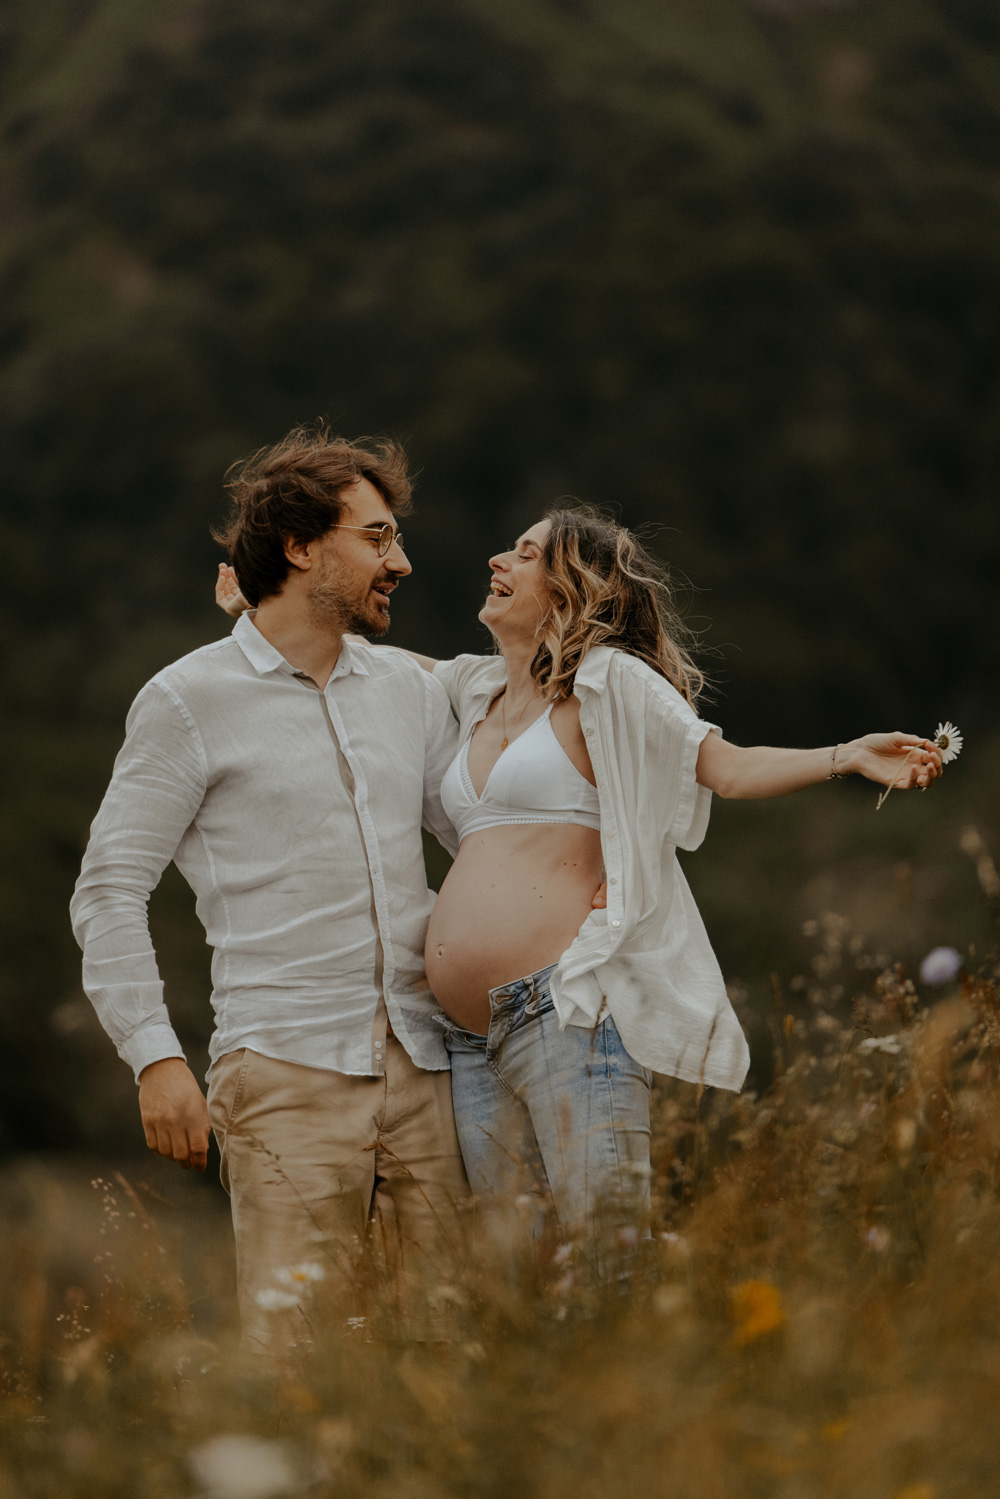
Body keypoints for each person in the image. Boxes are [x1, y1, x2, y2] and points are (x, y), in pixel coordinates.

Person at [217, 504, 943, 1262]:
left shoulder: (608, 684)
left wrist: (845, 754)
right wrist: (264, 610)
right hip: (468, 1038)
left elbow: (724, 765)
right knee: (515, 1273)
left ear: (571, 588)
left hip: (563, 1014)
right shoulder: (474, 691)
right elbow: (375, 666)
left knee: (609, 1256)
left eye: (525, 553)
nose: (499, 559)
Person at [71, 428, 471, 1357]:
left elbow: (480, 840)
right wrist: (155, 1056)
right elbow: (108, 887)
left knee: (462, 1350)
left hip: (432, 1068)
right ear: (299, 547)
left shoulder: (409, 691)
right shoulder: (185, 699)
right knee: (302, 1362)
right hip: (283, 1073)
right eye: (376, 537)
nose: (400, 561)